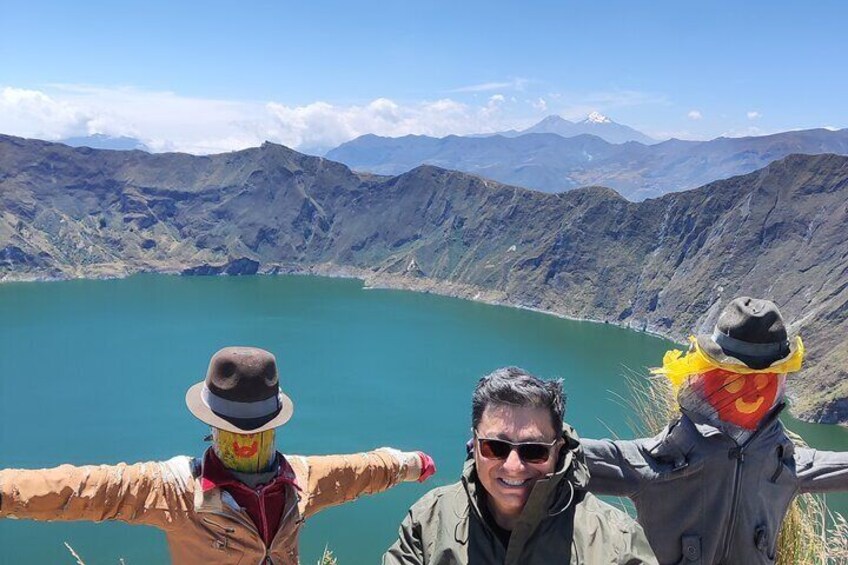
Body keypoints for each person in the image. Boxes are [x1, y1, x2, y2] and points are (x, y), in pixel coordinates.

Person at [0, 346, 436, 564]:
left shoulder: (300, 481)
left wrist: (407, 463)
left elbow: (358, 471)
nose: (243, 440)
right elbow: (84, 489)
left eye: (253, 430)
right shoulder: (173, 491)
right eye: (233, 429)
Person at [582, 297, 848, 564]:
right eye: (734, 381)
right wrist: (545, 445)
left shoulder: (781, 461)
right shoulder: (664, 459)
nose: (751, 392)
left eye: (762, 381)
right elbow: (569, 458)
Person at [383, 367, 657, 564]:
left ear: (558, 448)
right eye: (496, 447)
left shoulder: (616, 544)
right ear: (474, 444)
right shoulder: (429, 521)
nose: (513, 467)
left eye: (534, 451)